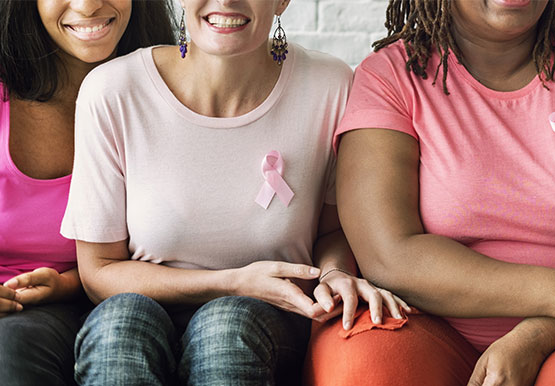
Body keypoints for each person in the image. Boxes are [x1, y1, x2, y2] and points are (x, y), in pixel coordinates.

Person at [304, 1, 555, 385]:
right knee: (362, 371)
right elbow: (389, 254)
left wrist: (535, 336)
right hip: (422, 323)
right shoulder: (389, 76)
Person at [61, 0, 405, 384]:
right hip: (143, 311)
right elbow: (98, 272)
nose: (225, 2)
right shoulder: (112, 91)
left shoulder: (330, 85)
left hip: (267, 320)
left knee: (225, 325)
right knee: (118, 324)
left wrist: (335, 273)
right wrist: (230, 281)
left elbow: (331, 230)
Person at [0, 0, 172, 384]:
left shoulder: (172, 92)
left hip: (134, 302)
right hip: (17, 310)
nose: (88, 5)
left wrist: (68, 283)